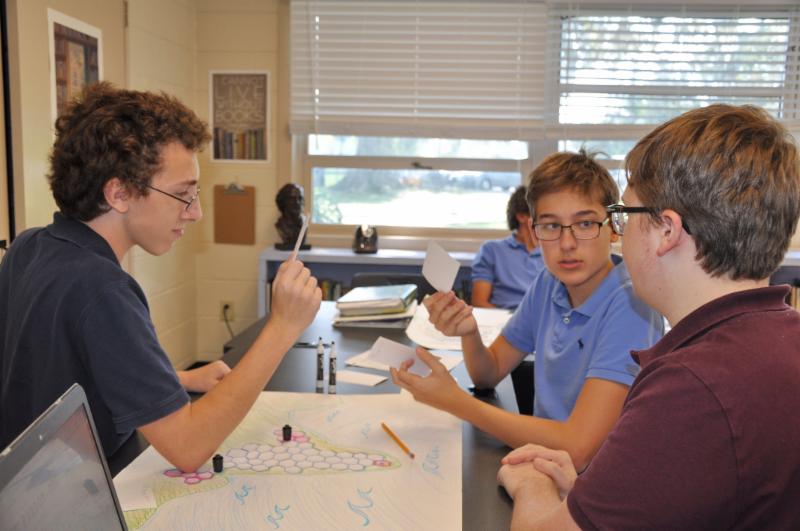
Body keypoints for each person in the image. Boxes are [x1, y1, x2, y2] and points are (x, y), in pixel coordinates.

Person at [497, 104, 800, 529]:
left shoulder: (691, 387)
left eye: (623, 215)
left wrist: (532, 483)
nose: (618, 234)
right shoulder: (780, 338)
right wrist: (592, 495)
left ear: (667, 231)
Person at [0, 83, 322, 472]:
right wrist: (283, 327)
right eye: (183, 194)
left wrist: (177, 380)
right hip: (69, 490)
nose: (195, 212)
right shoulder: (103, 289)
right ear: (119, 193)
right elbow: (188, 446)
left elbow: (68, 370)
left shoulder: (31, 245)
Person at [392, 149, 663, 471]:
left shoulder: (632, 304)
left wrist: (456, 403)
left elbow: (579, 449)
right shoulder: (549, 283)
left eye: (585, 223)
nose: (567, 243)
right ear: (534, 233)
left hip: (598, 479)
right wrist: (469, 331)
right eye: (551, 226)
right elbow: (488, 372)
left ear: (614, 228)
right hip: (546, 463)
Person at [471, 185, 544, 309]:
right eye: (541, 214)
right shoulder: (492, 250)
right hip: (504, 317)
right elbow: (479, 302)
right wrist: (512, 320)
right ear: (521, 216)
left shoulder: (552, 253)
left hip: (543, 318)